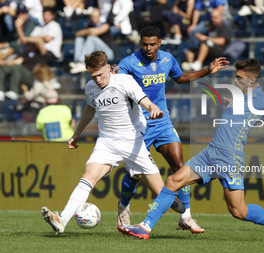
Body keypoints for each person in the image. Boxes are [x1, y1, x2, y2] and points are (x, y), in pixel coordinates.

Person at [117, 58, 264, 240]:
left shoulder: (261, 99)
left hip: (230, 159)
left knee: (239, 211)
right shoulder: (239, 96)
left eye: (239, 78)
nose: (235, 80)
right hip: (210, 153)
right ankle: (145, 227)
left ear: (251, 80)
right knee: (173, 181)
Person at [41, 51, 184, 234]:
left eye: (101, 74)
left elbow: (144, 101)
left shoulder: (124, 81)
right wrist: (76, 134)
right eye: (94, 76)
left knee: (164, 196)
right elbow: (89, 108)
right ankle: (62, 219)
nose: (98, 79)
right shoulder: (90, 87)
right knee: (88, 176)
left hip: (133, 142)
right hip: (107, 143)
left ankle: (177, 206)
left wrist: (153, 107)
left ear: (109, 68)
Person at [115, 25, 232, 234]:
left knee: (180, 167)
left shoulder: (168, 59)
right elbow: (116, 86)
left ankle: (185, 217)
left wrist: (207, 70)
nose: (148, 48)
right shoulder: (129, 63)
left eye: (152, 44)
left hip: (163, 123)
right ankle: (124, 207)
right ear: (140, 43)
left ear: (160, 43)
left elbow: (180, 77)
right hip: (139, 125)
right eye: (144, 44)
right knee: (134, 173)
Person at [69, 7, 114, 74]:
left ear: (100, 16)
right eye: (92, 16)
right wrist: (89, 31)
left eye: (96, 16)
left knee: (91, 38)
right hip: (96, 54)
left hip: (108, 54)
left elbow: (94, 32)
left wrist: (88, 31)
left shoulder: (105, 24)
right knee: (79, 39)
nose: (94, 18)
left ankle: (82, 62)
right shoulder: (89, 25)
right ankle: (77, 61)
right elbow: (77, 34)